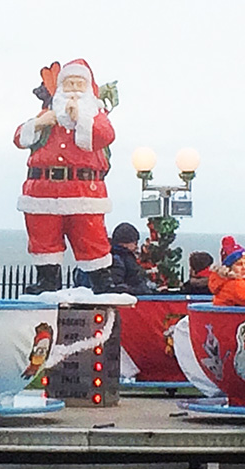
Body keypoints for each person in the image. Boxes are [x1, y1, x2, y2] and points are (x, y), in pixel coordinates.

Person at [14, 59, 116, 294]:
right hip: (42, 190)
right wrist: (38, 123)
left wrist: (81, 119)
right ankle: (47, 279)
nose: (74, 90)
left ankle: (101, 280)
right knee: (43, 236)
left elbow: (105, 135)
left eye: (79, 84)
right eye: (69, 84)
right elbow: (19, 138)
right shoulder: (47, 116)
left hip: (83, 190)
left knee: (90, 235)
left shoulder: (95, 116)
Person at [109, 222, 154, 295]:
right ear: (125, 243)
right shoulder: (118, 260)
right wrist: (139, 290)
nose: (136, 246)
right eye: (135, 243)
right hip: (133, 298)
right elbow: (118, 287)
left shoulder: (122, 257)